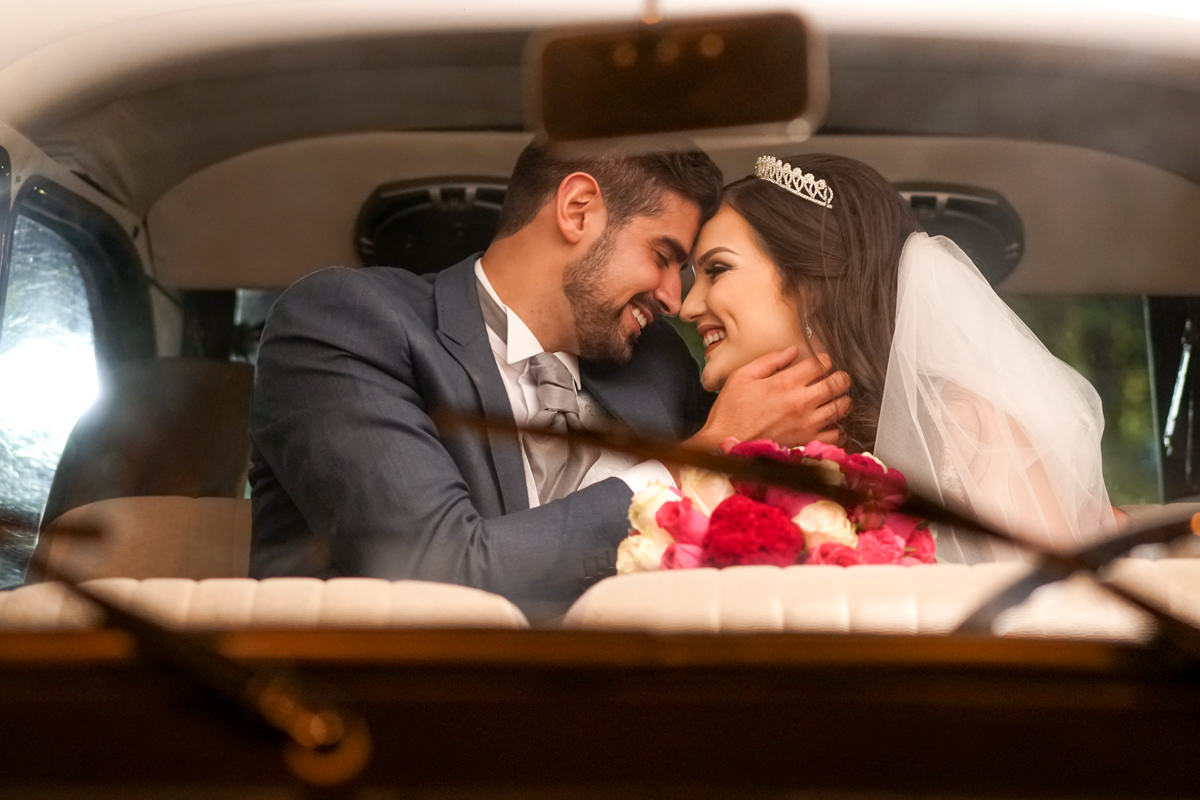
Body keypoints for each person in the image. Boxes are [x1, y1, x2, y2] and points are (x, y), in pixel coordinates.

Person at [249, 140, 851, 620]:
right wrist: (697, 458)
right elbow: (434, 574)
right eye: (663, 257)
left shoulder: (660, 365)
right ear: (577, 209)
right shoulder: (349, 322)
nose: (675, 298)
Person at [680, 153, 1116, 560]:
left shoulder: (963, 426)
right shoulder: (697, 434)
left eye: (717, 270)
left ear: (812, 283)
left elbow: (1049, 603)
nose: (687, 307)